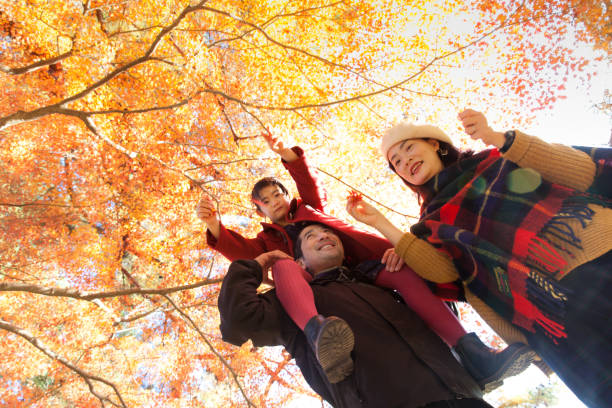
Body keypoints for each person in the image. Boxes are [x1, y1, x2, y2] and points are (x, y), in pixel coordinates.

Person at [198, 133, 533, 388]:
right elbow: (241, 252)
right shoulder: (266, 240)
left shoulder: (309, 209)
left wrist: (285, 153)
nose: (275, 202)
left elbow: (306, 181)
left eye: (277, 195)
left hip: (357, 269)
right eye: (266, 202)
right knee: (283, 265)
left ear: (287, 197)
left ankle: (472, 352)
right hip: (311, 283)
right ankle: (319, 335)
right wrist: (214, 225)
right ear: (261, 211)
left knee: (402, 275)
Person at [347, 109, 612, 407]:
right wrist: (381, 224)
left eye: (408, 148)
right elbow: (447, 274)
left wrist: (496, 138)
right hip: (550, 320)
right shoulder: (428, 224)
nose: (404, 161)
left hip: (598, 262)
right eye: (396, 161)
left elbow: (581, 170)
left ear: (436, 144)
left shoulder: (498, 159)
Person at [218, 222, 497, 408]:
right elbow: (238, 320)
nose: (324, 236)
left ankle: (476, 353)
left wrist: (404, 258)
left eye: (327, 233)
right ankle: (318, 332)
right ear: (300, 261)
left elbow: (444, 303)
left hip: (464, 395)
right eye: (310, 237)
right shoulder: (292, 302)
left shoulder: (383, 284)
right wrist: (255, 264)